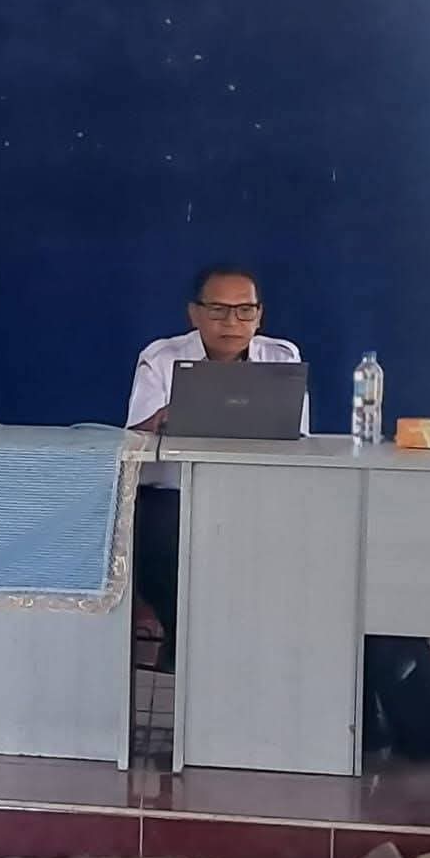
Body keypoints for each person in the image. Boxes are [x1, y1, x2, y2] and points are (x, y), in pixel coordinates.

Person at [126, 265, 303, 669]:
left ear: (259, 315)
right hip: (174, 493)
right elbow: (133, 440)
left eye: (244, 311)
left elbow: (298, 441)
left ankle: (250, 646)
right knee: (154, 532)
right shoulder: (162, 358)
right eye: (218, 310)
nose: (232, 322)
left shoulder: (282, 358)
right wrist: (160, 421)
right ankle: (185, 638)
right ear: (195, 313)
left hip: (254, 493)